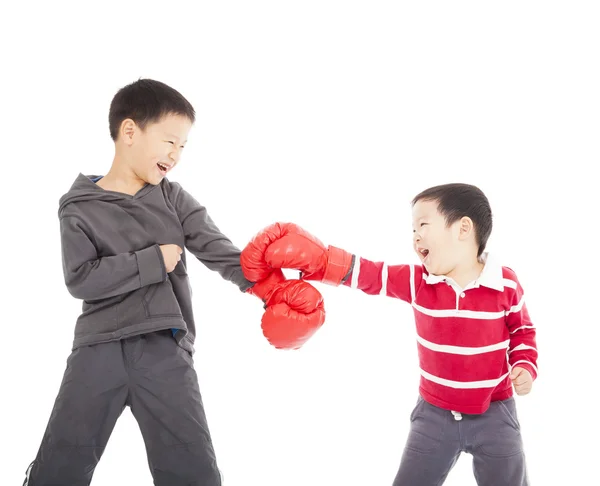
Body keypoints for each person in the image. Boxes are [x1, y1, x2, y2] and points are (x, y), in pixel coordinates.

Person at [22, 78, 321, 485]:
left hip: (164, 347)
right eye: (170, 142)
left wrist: (269, 287)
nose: (177, 155)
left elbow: (220, 250)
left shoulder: (172, 198)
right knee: (60, 466)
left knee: (193, 470)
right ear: (130, 132)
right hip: (97, 347)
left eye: (183, 147)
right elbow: (80, 279)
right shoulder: (78, 208)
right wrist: (152, 261)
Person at [240, 182, 538, 485]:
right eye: (412, 230)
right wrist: (322, 260)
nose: (415, 236)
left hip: (495, 412)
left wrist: (525, 366)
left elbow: (523, 331)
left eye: (423, 224)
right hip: (434, 416)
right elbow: (371, 274)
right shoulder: (419, 281)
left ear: (463, 229)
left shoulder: (505, 283)